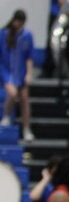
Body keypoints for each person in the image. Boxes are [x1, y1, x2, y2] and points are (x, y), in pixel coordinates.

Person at [0, 10, 35, 140]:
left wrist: (29, 74)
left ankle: (27, 129)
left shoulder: (27, 35)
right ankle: (6, 116)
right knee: (13, 93)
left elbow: (29, 57)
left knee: (25, 100)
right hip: (6, 70)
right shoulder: (4, 34)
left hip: (21, 71)